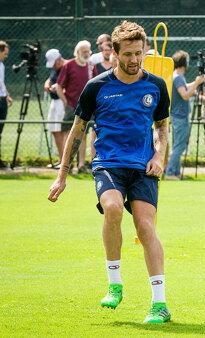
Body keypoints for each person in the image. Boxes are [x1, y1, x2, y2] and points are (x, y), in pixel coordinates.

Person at [48, 20, 173, 322]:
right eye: (128, 54)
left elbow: (163, 128)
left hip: (143, 167)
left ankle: (159, 304)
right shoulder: (97, 87)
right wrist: (62, 174)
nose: (134, 60)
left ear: (145, 52)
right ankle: (114, 284)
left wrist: (159, 156)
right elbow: (78, 129)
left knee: (146, 228)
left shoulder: (156, 86)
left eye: (139, 53)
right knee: (113, 208)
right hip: (108, 164)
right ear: (115, 52)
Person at [56, 40, 98, 173]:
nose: (86, 54)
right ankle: (66, 164)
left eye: (88, 51)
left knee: (84, 135)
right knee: (69, 134)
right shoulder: (69, 65)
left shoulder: (91, 66)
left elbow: (97, 84)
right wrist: (65, 102)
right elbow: (59, 86)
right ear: (78, 52)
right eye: (84, 51)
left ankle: (80, 164)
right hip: (72, 105)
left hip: (87, 106)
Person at [164, 50, 205, 178]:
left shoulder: (177, 77)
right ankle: (171, 172)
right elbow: (185, 95)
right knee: (180, 146)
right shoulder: (177, 77)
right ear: (184, 63)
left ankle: (176, 172)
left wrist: (195, 83)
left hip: (178, 115)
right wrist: (197, 83)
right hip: (180, 116)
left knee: (178, 145)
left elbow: (185, 87)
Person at [44, 49, 67, 163]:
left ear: (58, 60)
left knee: (61, 131)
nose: (52, 66)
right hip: (54, 101)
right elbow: (51, 78)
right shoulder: (55, 68)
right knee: (54, 130)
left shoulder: (67, 66)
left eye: (53, 63)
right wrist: (47, 83)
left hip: (62, 102)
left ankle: (65, 161)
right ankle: (61, 159)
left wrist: (56, 87)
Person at [0, 40, 13, 168]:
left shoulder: (1, 65)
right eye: (4, 53)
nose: (5, 56)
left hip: (2, 98)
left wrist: (6, 95)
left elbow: (1, 82)